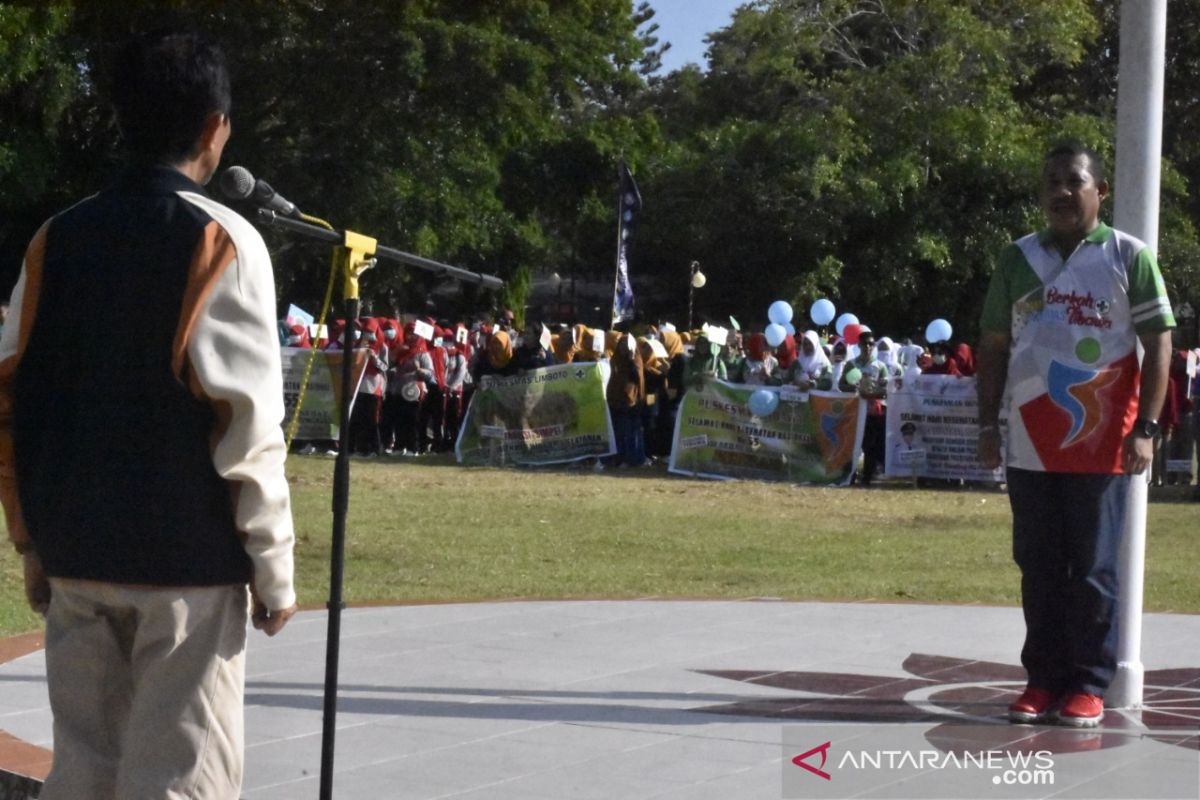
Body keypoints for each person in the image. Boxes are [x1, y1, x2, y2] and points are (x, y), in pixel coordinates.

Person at [0, 32, 296, 798]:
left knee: (84, 776)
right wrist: (274, 566)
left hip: (75, 554)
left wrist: (31, 538)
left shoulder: (52, 239)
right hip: (185, 572)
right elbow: (247, 426)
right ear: (213, 128)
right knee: (180, 781)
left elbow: (12, 400)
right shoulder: (223, 240)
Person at [977, 143, 1174, 728]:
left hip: (1102, 441)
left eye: (1074, 181)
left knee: (1091, 569)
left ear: (1099, 192)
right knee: (1036, 565)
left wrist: (1147, 428)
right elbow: (992, 345)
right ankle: (1042, 681)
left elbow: (1159, 341)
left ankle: (1089, 684)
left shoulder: (1129, 256)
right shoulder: (1018, 258)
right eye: (1052, 182)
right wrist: (988, 424)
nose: (1061, 192)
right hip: (1030, 442)